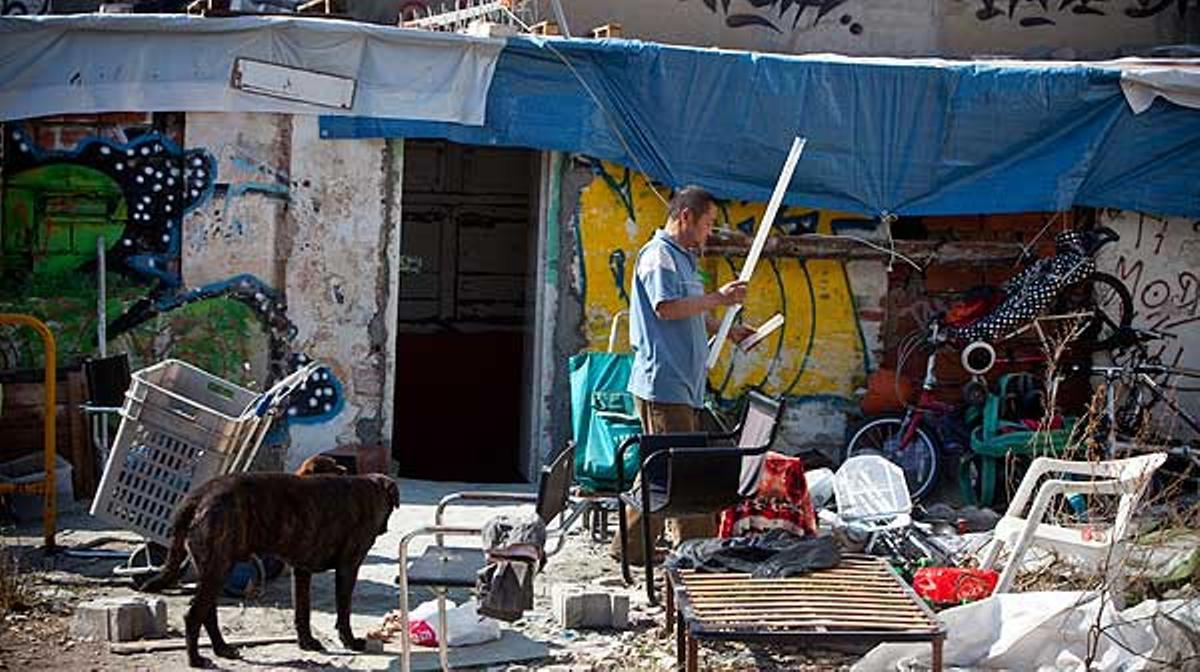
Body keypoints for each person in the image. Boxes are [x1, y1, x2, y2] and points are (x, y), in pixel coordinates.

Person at [610, 185, 751, 564]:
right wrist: (719, 297)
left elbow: (690, 312)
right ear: (685, 216)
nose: (709, 233)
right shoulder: (659, 257)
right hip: (664, 382)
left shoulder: (683, 259)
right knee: (675, 470)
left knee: (662, 468)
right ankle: (692, 551)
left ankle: (632, 548)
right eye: (706, 224)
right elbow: (666, 308)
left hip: (684, 384)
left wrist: (726, 329)